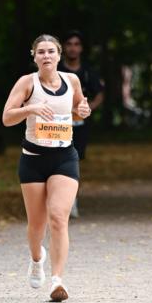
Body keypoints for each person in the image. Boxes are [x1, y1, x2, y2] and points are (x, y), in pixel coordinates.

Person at [2, 34, 91, 302]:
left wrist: (83, 110)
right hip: (33, 159)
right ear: (34, 56)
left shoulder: (71, 80)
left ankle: (57, 281)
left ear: (59, 55)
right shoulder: (27, 83)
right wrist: (31, 110)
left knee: (58, 217)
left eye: (51, 51)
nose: (46, 56)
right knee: (37, 224)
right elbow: (7, 117)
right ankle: (36, 259)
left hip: (64, 157)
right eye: (41, 52)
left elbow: (77, 108)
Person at [58, 30, 104, 217]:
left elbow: (99, 93)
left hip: (80, 126)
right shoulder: (55, 70)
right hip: (57, 124)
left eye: (76, 44)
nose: (73, 48)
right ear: (63, 47)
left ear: (82, 48)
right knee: (55, 161)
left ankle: (72, 201)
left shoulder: (87, 72)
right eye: (69, 44)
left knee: (74, 162)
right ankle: (56, 201)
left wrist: (89, 107)